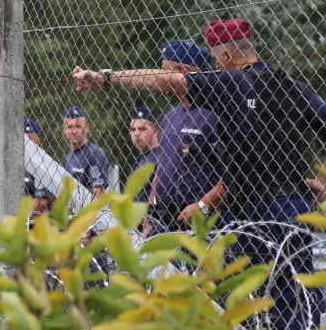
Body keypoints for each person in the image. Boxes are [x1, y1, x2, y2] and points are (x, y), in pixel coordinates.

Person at [72, 18, 326, 330]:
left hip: (251, 210)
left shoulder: (231, 83)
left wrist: (105, 78)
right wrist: (318, 184)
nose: (213, 65)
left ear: (230, 57)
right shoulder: (294, 88)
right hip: (294, 207)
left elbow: (168, 81)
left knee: (239, 302)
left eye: (216, 58)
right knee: (292, 301)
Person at [141, 41, 226, 237]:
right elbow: (161, 168)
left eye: (164, 71)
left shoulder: (214, 115)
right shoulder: (170, 117)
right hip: (162, 220)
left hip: (198, 222)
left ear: (180, 70)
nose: (160, 78)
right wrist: (149, 214)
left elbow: (233, 176)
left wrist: (203, 207)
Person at [61, 106, 110, 197]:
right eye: (70, 127)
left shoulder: (95, 154)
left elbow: (98, 192)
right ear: (63, 129)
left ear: (87, 127)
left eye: (78, 126)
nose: (74, 131)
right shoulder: (67, 158)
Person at [129, 106, 160, 204]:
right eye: (133, 129)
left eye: (141, 129)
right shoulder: (142, 157)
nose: (136, 133)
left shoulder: (161, 156)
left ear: (155, 132)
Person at [24, 118, 55, 214]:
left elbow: (41, 202)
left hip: (36, 223)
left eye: (29, 139)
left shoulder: (44, 163)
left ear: (39, 140)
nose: (26, 143)